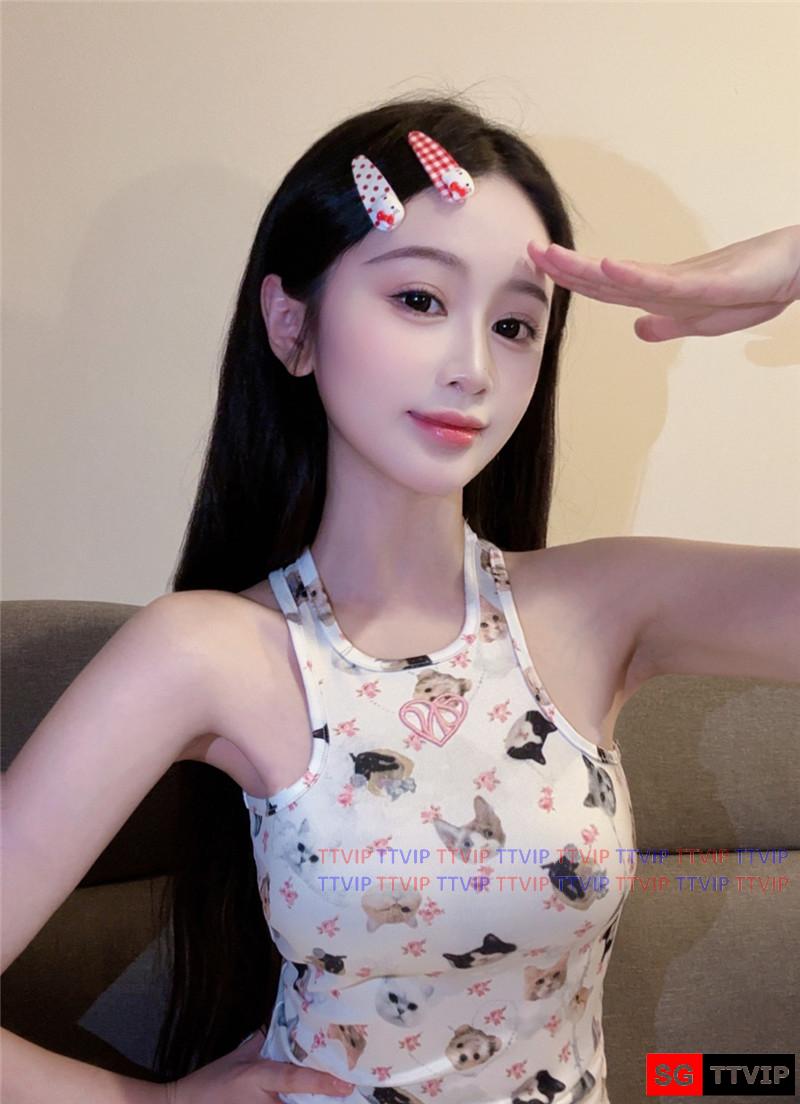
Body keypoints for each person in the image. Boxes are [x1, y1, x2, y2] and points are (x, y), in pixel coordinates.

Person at [2, 93, 798, 1104]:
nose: (472, 367)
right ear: (291, 324)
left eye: (514, 324)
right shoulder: (209, 652)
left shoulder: (606, 607)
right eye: (419, 299)